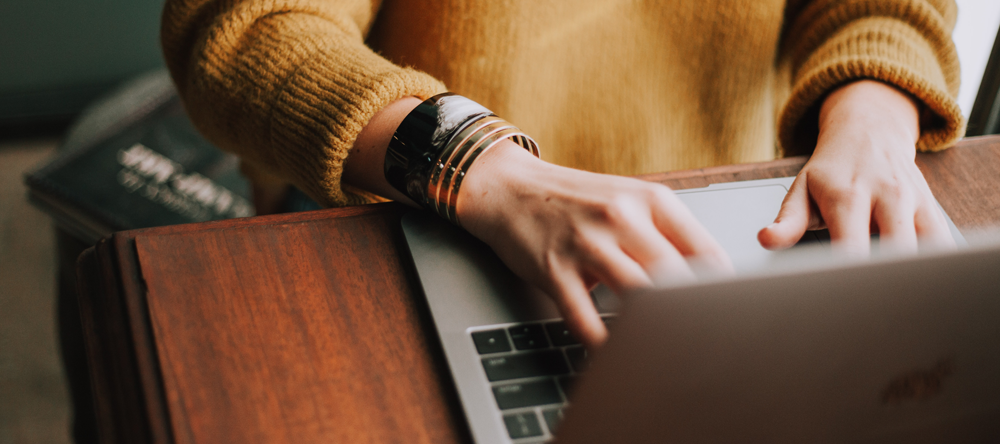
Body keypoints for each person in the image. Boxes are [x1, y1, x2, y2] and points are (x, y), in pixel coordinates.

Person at [161, 0, 964, 348]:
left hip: (725, 238)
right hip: (412, 213)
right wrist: (479, 166)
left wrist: (875, 114)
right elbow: (240, 31)